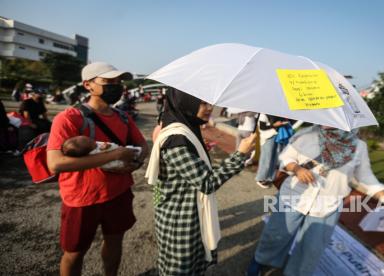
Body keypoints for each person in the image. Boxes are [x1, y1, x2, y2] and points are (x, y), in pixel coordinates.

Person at [247, 125, 384, 276]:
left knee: (312, 247)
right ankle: (261, 260)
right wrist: (297, 169)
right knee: (278, 234)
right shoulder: (307, 135)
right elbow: (286, 158)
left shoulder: (358, 146)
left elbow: (365, 175)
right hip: (294, 196)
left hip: (328, 205)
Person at [46, 62, 149, 276]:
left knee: (114, 241)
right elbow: (55, 163)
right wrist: (113, 156)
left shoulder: (123, 116)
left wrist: (135, 163)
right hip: (82, 198)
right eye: (108, 82)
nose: (116, 86)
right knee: (74, 252)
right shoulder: (68, 118)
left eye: (118, 82)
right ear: (88, 85)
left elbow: (143, 146)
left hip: (118, 192)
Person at [145, 89, 256, 275]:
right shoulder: (176, 139)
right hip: (180, 221)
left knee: (193, 267)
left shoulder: (185, 127)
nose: (209, 107)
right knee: (179, 269)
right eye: (203, 103)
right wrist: (241, 154)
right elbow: (207, 183)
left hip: (189, 214)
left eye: (209, 102)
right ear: (185, 103)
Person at [61, 135, 142, 169]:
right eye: (90, 141)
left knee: (129, 151)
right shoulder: (94, 152)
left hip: (118, 154)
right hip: (116, 161)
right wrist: (105, 147)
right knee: (130, 153)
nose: (93, 140)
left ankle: (135, 158)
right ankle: (134, 158)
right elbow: (102, 149)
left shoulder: (91, 146)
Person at [255, 114, 290, 188]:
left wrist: (283, 123)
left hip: (276, 136)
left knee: (274, 158)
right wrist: (274, 125)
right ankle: (261, 178)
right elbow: (262, 127)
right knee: (266, 159)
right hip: (267, 137)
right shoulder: (263, 114)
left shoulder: (276, 113)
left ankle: (270, 178)